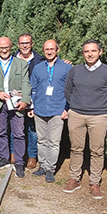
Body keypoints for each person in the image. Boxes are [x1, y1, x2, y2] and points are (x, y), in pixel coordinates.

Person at [63, 39, 107, 200]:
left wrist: (101, 106)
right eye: (86, 51)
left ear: (100, 52)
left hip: (98, 116)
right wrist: (77, 105)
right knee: (76, 148)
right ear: (83, 53)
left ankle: (95, 183)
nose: (90, 54)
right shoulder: (75, 71)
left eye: (93, 51)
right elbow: (68, 91)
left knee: (97, 150)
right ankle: (74, 178)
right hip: (76, 114)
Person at [0, 37, 31, 178]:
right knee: (1, 132)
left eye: (7, 47)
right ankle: (4, 157)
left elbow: (26, 83)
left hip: (16, 103)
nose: (4, 50)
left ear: (11, 47)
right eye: (1, 48)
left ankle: (19, 162)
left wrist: (25, 101)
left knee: (18, 133)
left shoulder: (21, 64)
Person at [28, 40, 71, 183]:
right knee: (41, 140)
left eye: (52, 49)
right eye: (46, 49)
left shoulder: (66, 68)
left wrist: (67, 109)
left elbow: (71, 90)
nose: (49, 51)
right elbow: (33, 89)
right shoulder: (38, 68)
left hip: (57, 109)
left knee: (53, 141)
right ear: (43, 50)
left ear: (57, 50)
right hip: (40, 109)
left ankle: (50, 169)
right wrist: (31, 107)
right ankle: (42, 165)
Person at [15, 33, 45, 169]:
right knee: (15, 129)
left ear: (32, 44)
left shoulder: (40, 60)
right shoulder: (12, 59)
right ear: (18, 45)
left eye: (27, 43)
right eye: (22, 43)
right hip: (15, 99)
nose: (25, 45)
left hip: (34, 100)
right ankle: (14, 154)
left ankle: (32, 156)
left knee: (32, 129)